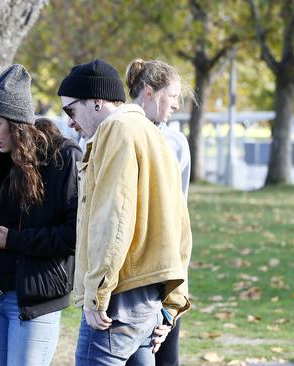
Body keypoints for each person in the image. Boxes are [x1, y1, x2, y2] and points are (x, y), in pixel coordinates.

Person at [57, 59, 192, 366]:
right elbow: (179, 227)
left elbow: (113, 219)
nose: (70, 122)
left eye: (70, 110)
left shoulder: (116, 130)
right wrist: (172, 304)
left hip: (118, 297)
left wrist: (97, 292)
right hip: (149, 302)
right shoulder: (155, 135)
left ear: (95, 102)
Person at [0, 64, 82, 366]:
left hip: (34, 297)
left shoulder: (62, 159)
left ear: (18, 121)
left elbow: (73, 234)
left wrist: (13, 240)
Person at [125, 59, 192, 366]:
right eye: (173, 95)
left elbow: (180, 214)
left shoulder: (176, 143)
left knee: (164, 355)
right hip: (127, 273)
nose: (177, 104)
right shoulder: (116, 132)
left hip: (163, 269)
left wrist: (174, 294)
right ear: (150, 92)